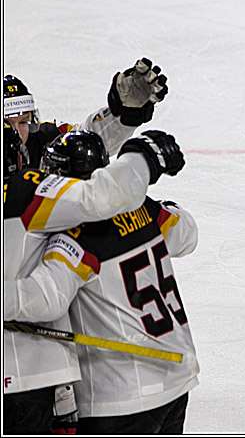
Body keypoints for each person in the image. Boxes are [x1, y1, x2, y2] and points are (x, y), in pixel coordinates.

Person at [4, 129, 196, 434]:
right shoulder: (145, 209)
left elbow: (46, 298)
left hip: (121, 396)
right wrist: (160, 207)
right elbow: (187, 234)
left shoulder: (76, 236)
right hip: (177, 380)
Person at [4, 58, 169, 167]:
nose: (17, 133)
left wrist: (121, 117)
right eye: (7, 125)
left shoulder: (44, 141)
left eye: (23, 122)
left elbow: (85, 140)